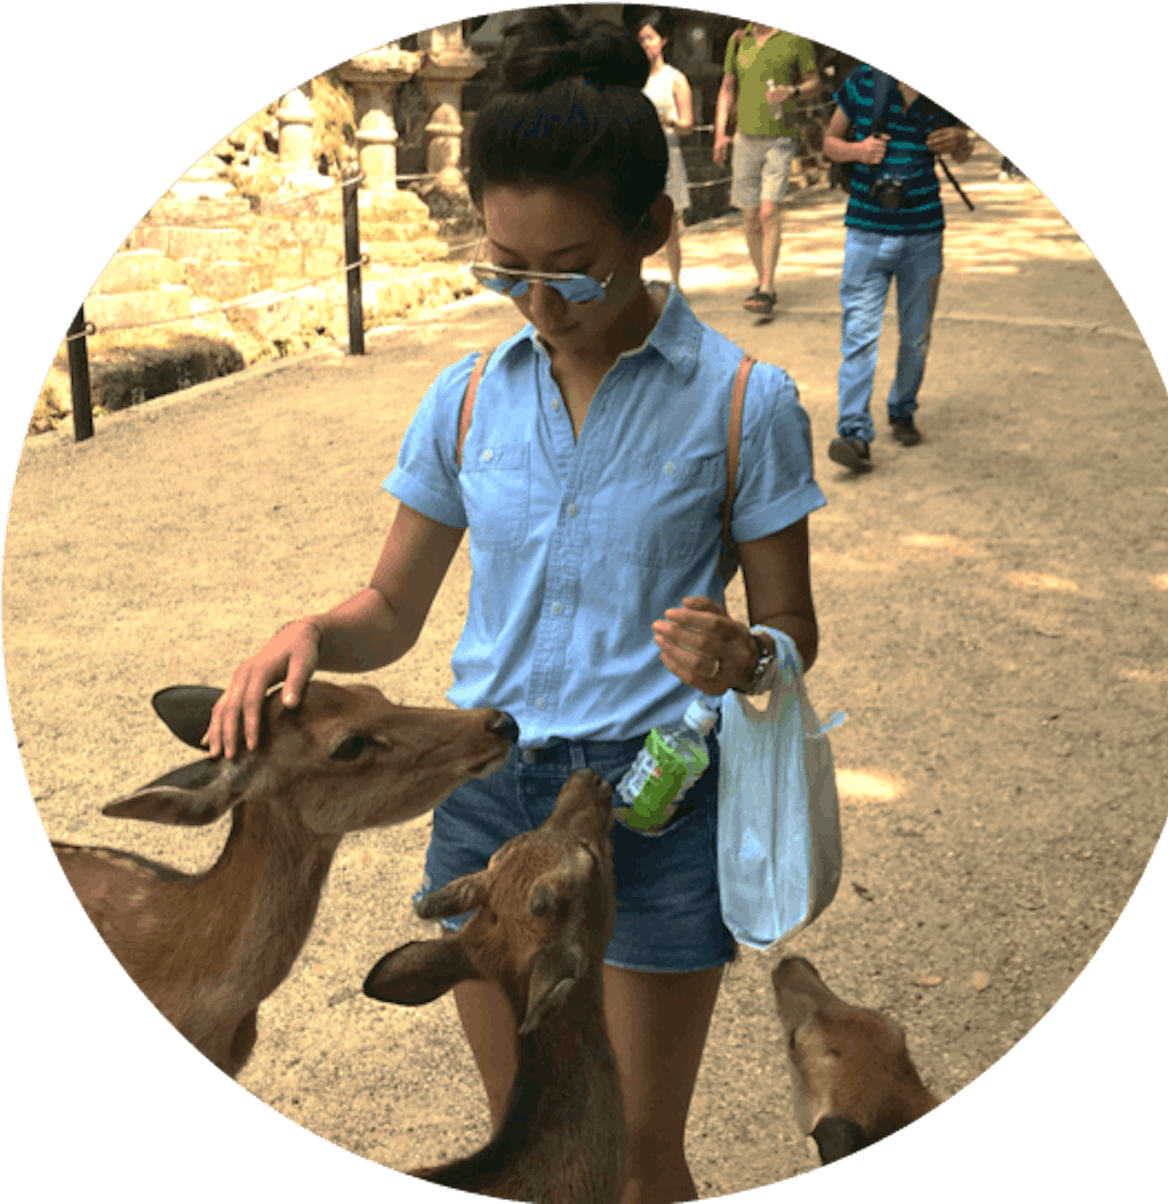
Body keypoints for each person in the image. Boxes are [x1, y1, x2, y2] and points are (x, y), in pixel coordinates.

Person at [204, 10, 825, 1204]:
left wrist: (748, 653)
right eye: (507, 270)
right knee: (535, 1148)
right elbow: (392, 603)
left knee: (636, 1158)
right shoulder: (468, 398)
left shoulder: (747, 402)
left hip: (655, 797)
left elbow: (794, 629)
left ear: (656, 225)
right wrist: (315, 632)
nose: (537, 302)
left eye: (572, 268)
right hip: (484, 788)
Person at [822, 65, 973, 472]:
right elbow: (829, 143)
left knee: (917, 335)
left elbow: (964, 152)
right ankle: (853, 433)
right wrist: (858, 151)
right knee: (859, 334)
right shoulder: (862, 82)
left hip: (923, 233)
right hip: (867, 232)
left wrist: (961, 140)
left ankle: (902, 408)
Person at [713, 21, 820, 317]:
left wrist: (794, 90)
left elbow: (814, 82)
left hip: (780, 138)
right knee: (749, 217)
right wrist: (721, 133)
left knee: (768, 211)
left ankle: (765, 288)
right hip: (745, 138)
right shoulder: (738, 39)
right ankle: (763, 281)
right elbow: (727, 87)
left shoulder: (795, 37)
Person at [637, 8, 693, 289]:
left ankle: (676, 283)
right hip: (639, 156)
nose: (646, 44)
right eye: (641, 39)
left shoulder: (675, 78)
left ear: (663, 40)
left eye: (650, 38)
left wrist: (669, 120)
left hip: (668, 153)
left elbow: (688, 123)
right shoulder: (634, 79)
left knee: (669, 225)